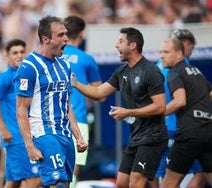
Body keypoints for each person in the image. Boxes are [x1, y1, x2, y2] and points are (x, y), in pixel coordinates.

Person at [71, 27, 168, 188]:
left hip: (153, 137)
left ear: (133, 46)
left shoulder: (151, 71)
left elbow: (160, 107)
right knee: (121, 183)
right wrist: (76, 84)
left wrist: (128, 112)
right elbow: (98, 92)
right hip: (135, 137)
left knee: (136, 181)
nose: (116, 45)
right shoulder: (121, 71)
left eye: (121, 41)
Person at [14, 16, 88, 188]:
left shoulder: (64, 66)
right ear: (45, 39)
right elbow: (21, 109)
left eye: (66, 34)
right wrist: (29, 146)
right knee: (57, 184)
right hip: (44, 133)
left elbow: (66, 104)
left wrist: (78, 136)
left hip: (65, 135)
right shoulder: (28, 67)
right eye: (61, 35)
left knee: (66, 184)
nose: (66, 39)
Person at [151, 29, 206, 188]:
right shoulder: (183, 66)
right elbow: (181, 100)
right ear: (186, 45)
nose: (162, 55)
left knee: (158, 172)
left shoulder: (158, 65)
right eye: (192, 48)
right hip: (182, 128)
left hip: (161, 127)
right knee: (198, 172)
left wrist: (152, 116)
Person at [0, 39, 42, 188]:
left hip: (24, 135)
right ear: (7, 56)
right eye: (15, 53)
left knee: (13, 182)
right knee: (34, 180)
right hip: (17, 138)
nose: (19, 56)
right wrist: (3, 128)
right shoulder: (5, 77)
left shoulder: (27, 74)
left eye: (22, 52)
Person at [62, 15, 105, 188]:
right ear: (81, 34)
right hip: (78, 119)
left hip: (52, 119)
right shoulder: (86, 59)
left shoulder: (52, 56)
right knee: (73, 170)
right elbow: (101, 95)